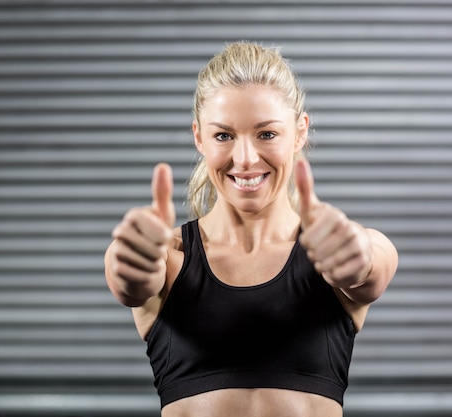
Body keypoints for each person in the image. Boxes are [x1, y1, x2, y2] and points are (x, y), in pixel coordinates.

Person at [104, 41, 398, 417]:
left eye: (267, 134)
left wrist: (358, 261)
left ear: (300, 131)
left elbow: (371, 263)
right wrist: (128, 262)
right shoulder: (167, 257)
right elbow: (129, 279)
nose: (245, 159)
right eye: (223, 135)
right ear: (199, 137)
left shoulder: (337, 248)